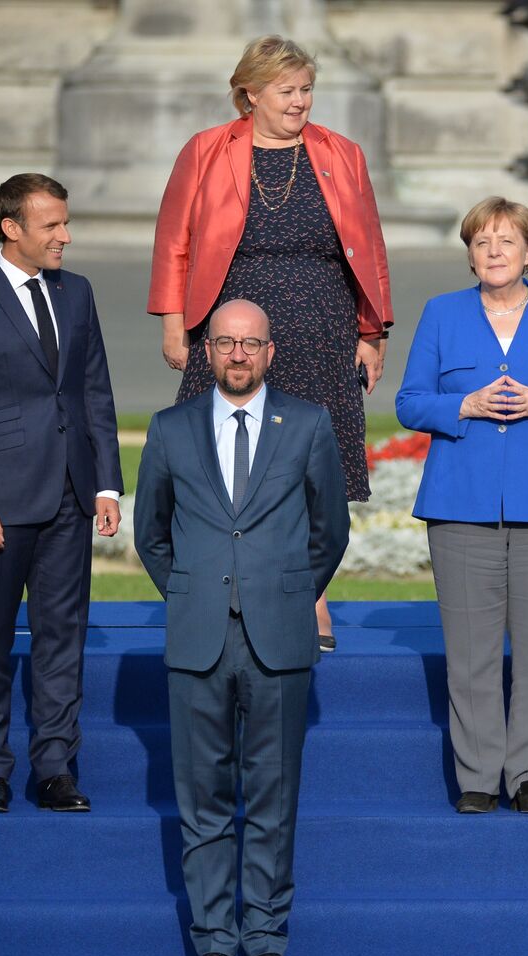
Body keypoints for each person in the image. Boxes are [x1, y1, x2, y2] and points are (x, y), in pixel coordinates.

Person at [148, 34, 390, 649]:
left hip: (321, 326)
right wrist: (174, 322)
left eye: (306, 89)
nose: (300, 101)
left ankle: (311, 595)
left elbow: (369, 246)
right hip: (232, 326)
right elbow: (174, 239)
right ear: (249, 93)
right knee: (220, 460)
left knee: (313, 466)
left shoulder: (342, 153)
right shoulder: (205, 150)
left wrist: (371, 330)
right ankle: (219, 589)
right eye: (286, 91)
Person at [134, 299, 348, 956]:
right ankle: (214, 949)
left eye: (250, 344)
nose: (237, 354)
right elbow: (151, 534)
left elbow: (330, 530)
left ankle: (266, 944)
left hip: (278, 639)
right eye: (225, 342)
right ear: (207, 352)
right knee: (202, 800)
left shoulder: (308, 424)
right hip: (198, 637)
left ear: (269, 352)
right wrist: (193, 591)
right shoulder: (170, 429)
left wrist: (284, 592)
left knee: (273, 799)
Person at [395, 197, 528, 815]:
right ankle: (477, 776)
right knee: (471, 654)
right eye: (482, 242)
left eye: (507, 241)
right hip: (460, 504)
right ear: (469, 254)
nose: (494, 252)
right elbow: (410, 402)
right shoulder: (441, 313)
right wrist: (462, 405)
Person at [0, 173, 122, 815]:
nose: (65, 236)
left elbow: (94, 391)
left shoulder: (77, 292)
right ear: (12, 228)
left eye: (66, 223)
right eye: (52, 225)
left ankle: (55, 770)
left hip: (71, 495)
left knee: (62, 636)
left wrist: (106, 482)